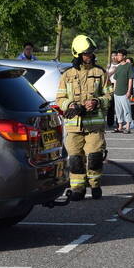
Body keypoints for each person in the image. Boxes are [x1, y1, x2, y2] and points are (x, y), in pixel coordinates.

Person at [56, 35, 111, 200]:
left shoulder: (99, 72)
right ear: (77, 54)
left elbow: (109, 95)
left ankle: (95, 185)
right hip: (74, 126)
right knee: (75, 160)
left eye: (91, 53)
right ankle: (78, 189)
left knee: (94, 157)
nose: (90, 56)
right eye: (86, 53)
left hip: (94, 126)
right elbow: (59, 98)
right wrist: (70, 105)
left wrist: (96, 101)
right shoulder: (67, 75)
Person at [112, 49, 134, 134]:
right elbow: (116, 80)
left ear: (124, 56)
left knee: (126, 109)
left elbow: (130, 79)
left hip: (124, 92)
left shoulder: (129, 66)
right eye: (117, 55)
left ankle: (128, 127)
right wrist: (114, 91)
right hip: (117, 92)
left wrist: (129, 91)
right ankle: (120, 126)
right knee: (118, 110)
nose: (117, 57)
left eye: (119, 55)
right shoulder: (118, 67)